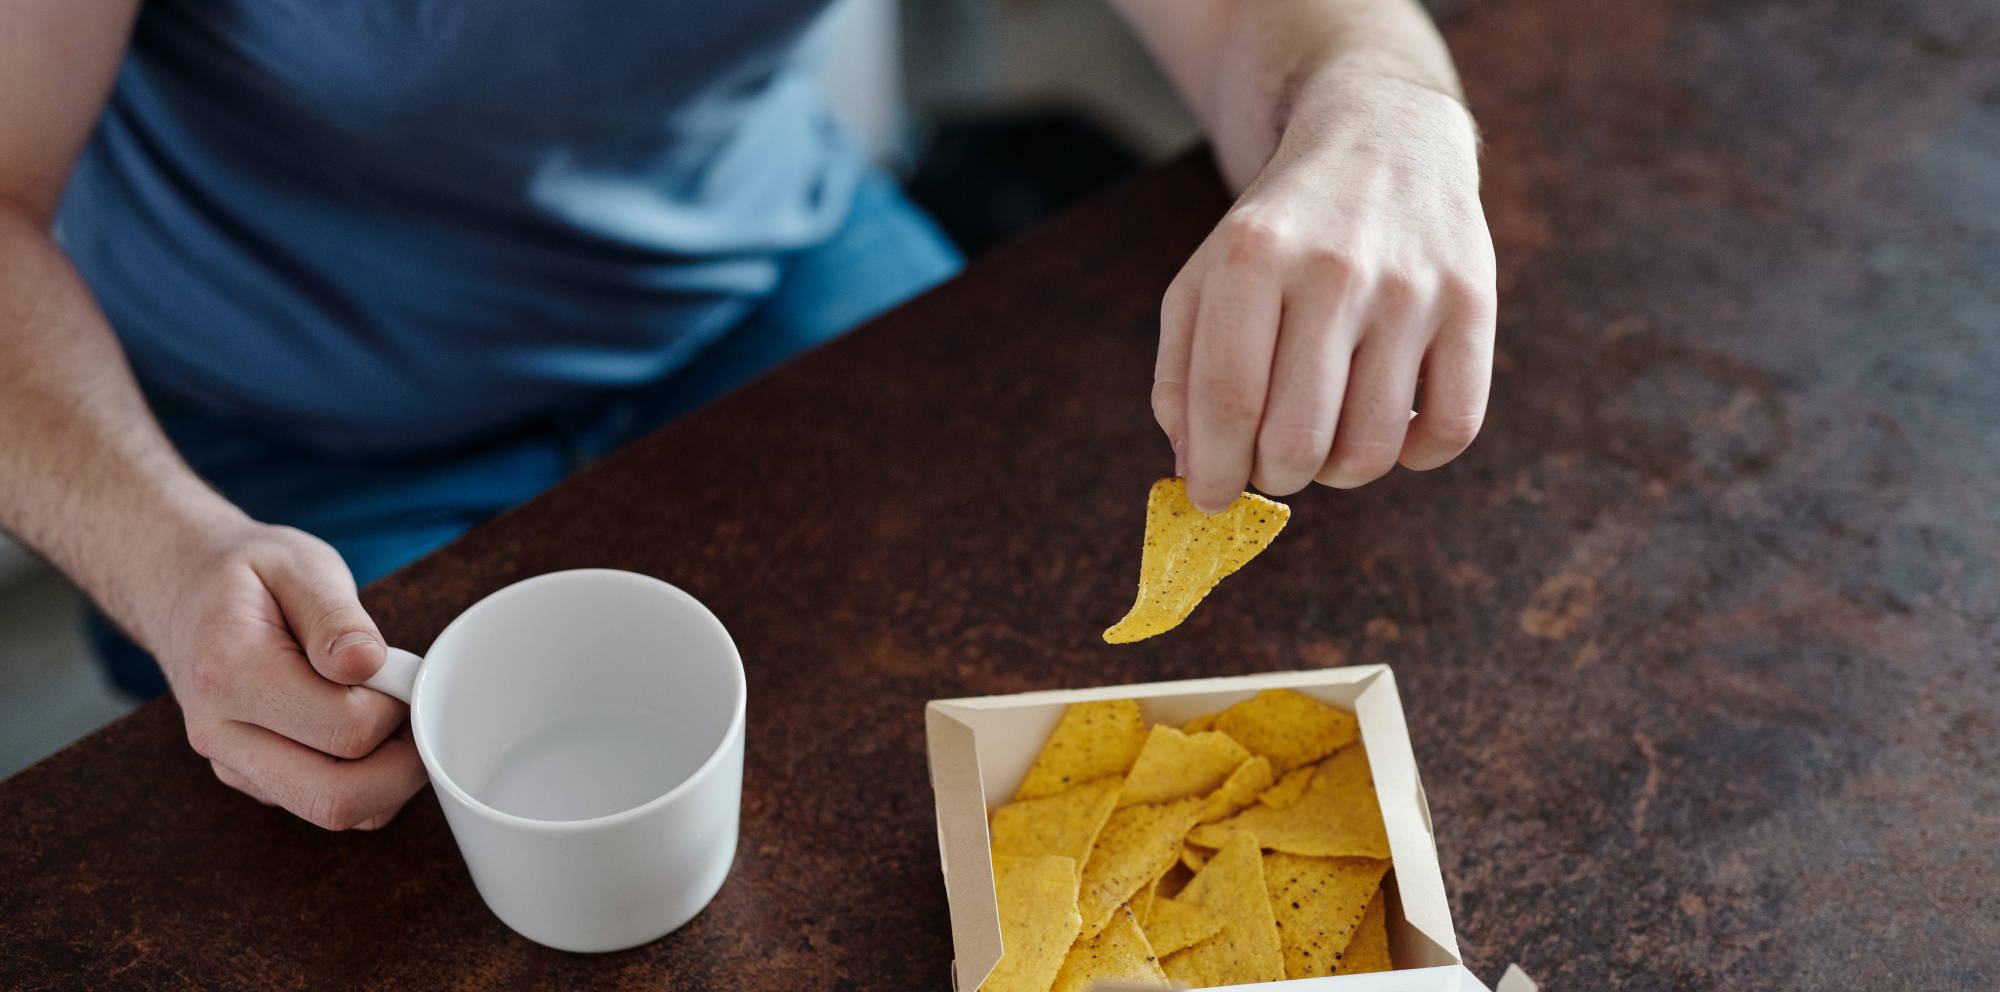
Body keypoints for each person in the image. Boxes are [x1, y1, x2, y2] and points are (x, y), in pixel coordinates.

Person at [0, 2, 1494, 831]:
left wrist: (1386, 114)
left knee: (1055, 748)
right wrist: (165, 552)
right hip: (267, 432)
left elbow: (1272, 26)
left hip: (765, 271)